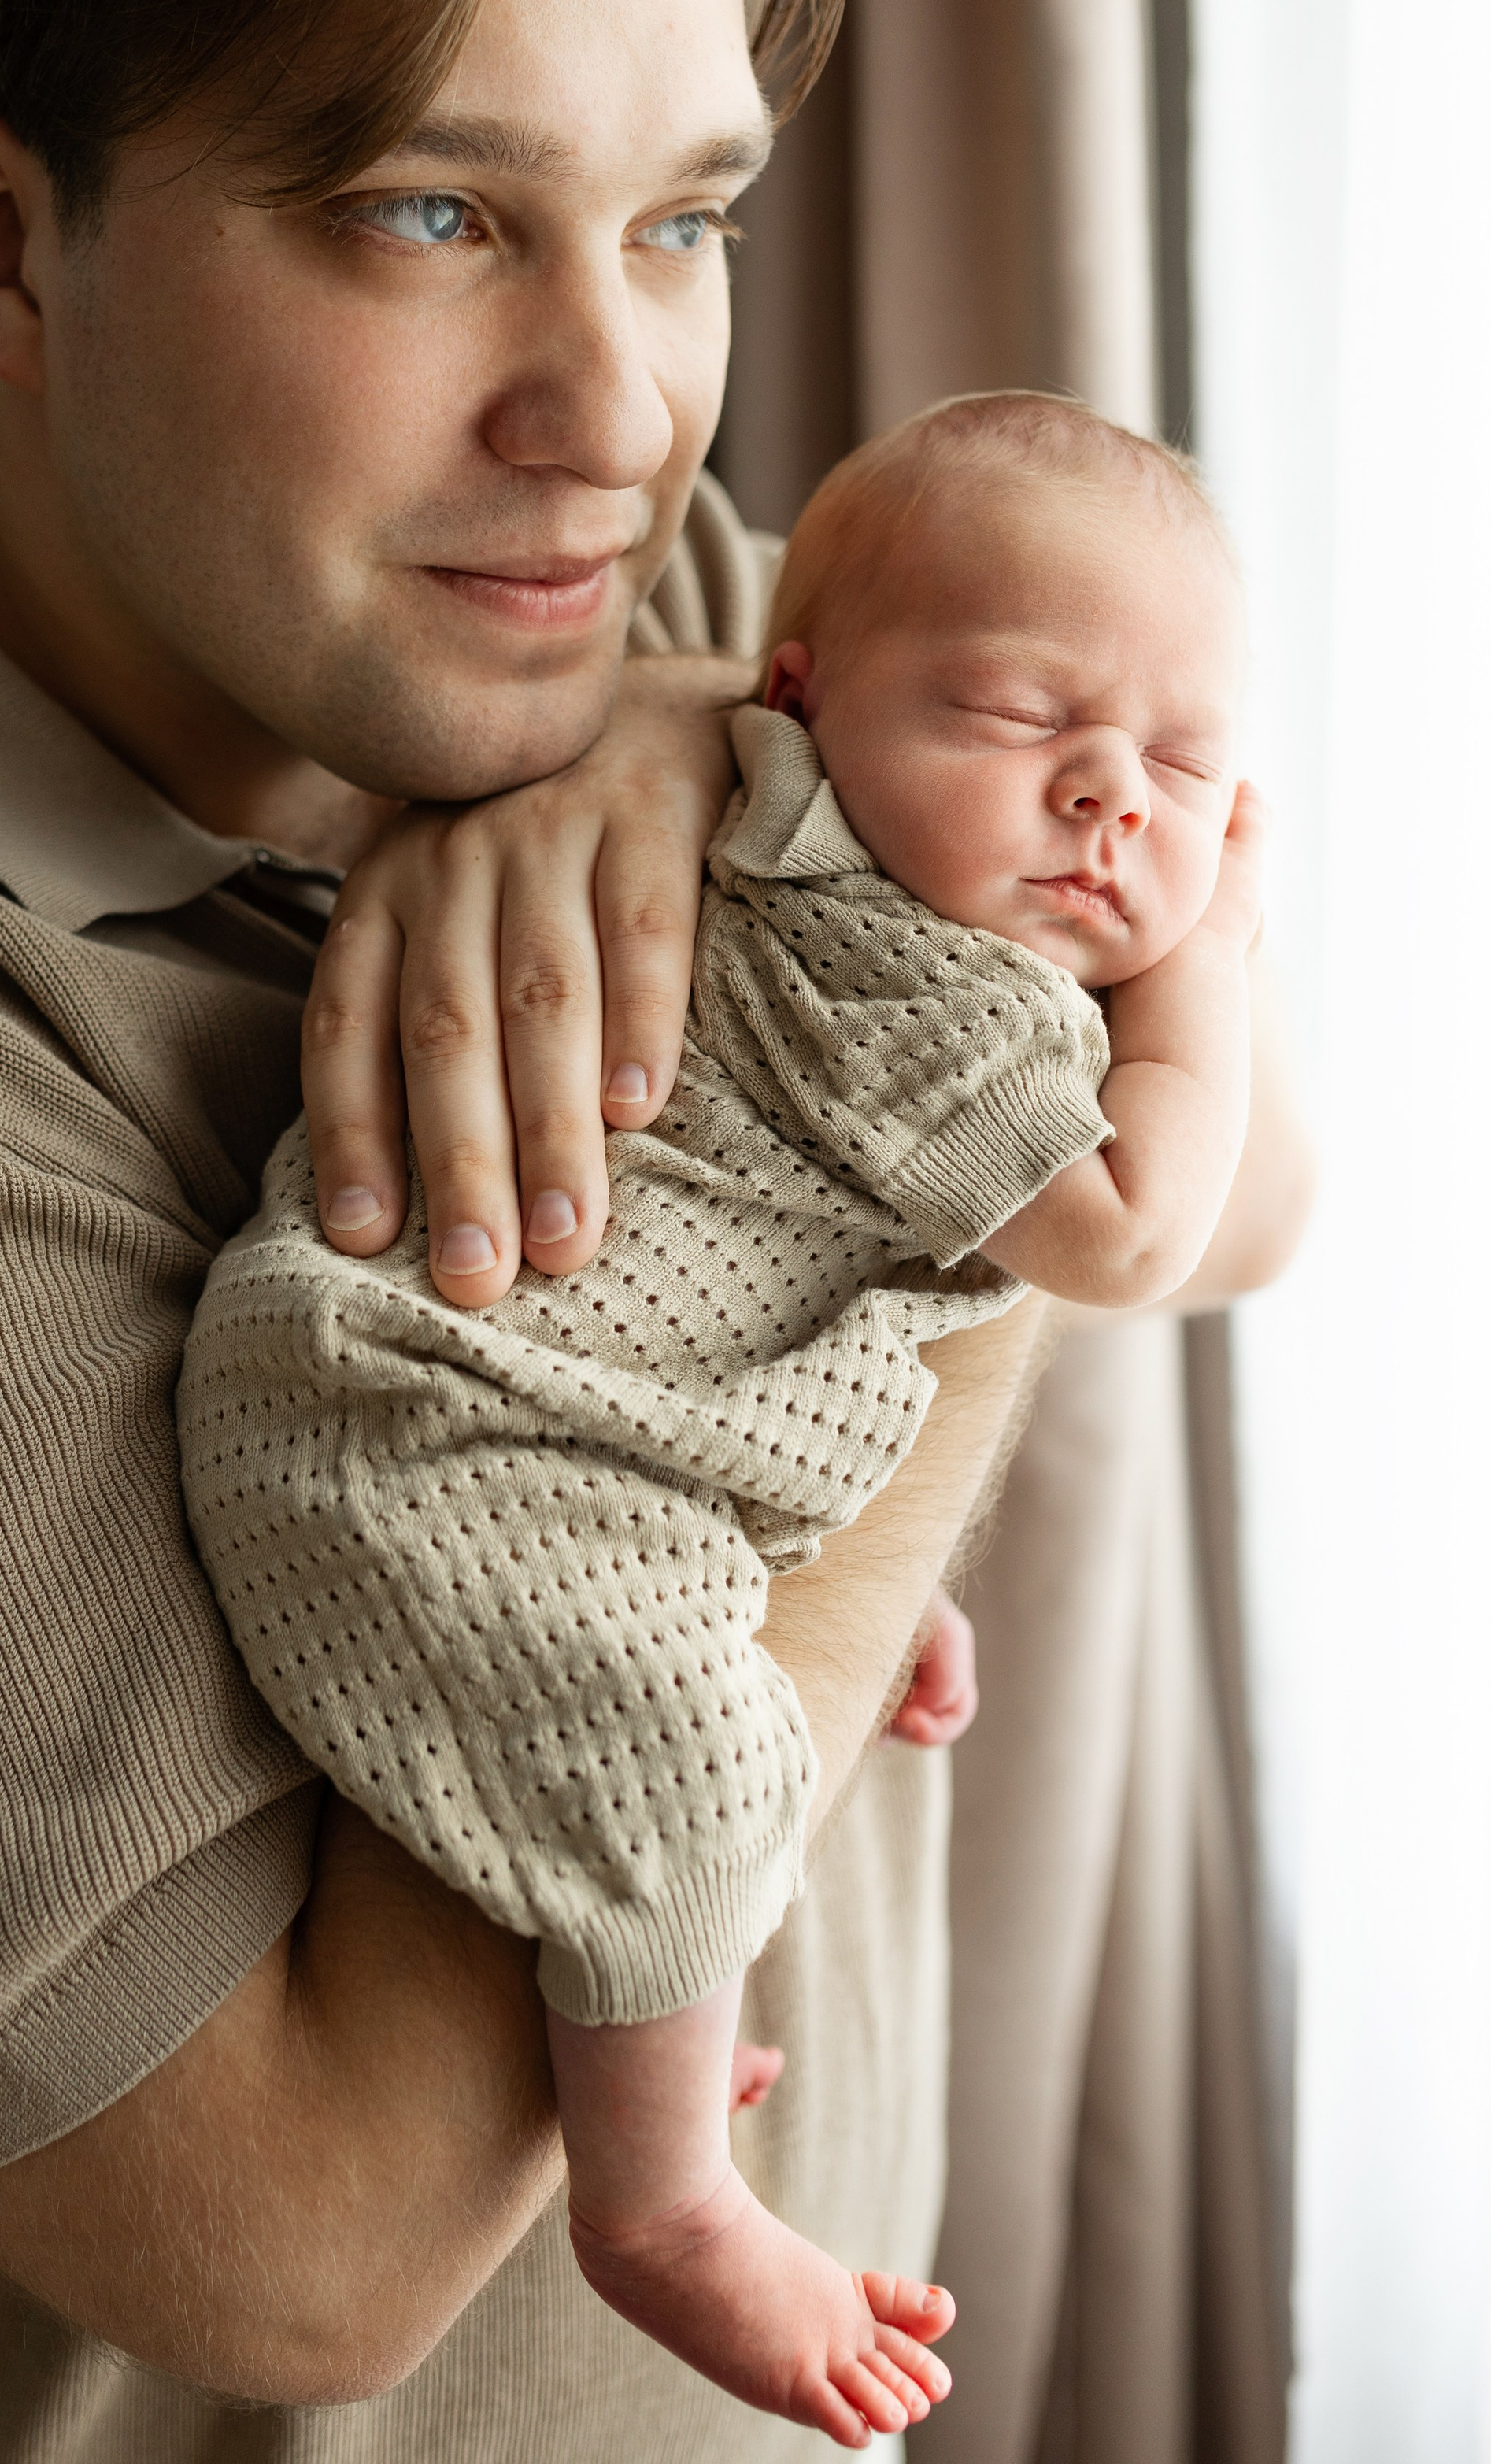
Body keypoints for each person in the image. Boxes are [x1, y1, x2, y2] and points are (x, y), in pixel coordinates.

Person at [0, 0, 1300, 2463]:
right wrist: (915, 1131)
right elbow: (314, 2237)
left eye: (682, 218)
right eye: (425, 212)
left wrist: (688, 747)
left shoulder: (626, 618)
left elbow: (1254, 1185)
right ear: (7, 241)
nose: (618, 407)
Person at [179, 393, 1259, 2446]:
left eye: (1186, 766)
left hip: (579, 1424)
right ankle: (663, 2200)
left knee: (732, 1667)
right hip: (435, 1424)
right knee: (688, 1760)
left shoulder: (818, 836)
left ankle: (642, 1984)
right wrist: (1220, 953)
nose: (1115, 800)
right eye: (1025, 721)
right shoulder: (903, 963)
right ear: (803, 704)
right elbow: (1130, 1237)